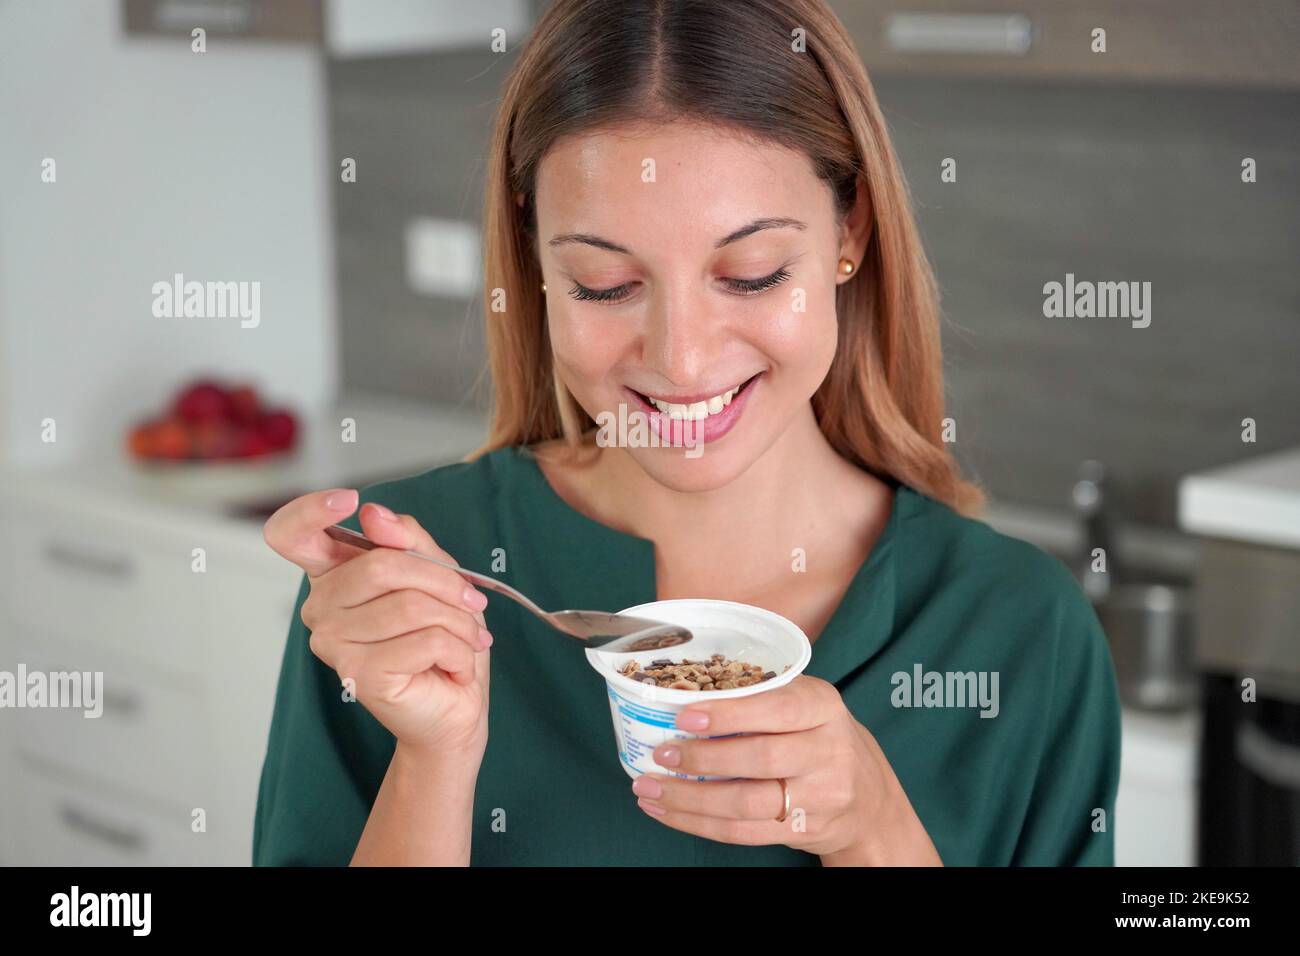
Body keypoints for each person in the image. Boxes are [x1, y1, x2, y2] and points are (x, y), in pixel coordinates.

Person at [254, 0, 1120, 866]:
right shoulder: (400, 583)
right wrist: (433, 760)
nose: (682, 358)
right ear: (535, 262)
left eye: (750, 274)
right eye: (603, 283)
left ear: (849, 230)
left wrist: (877, 834)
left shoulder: (1019, 628)